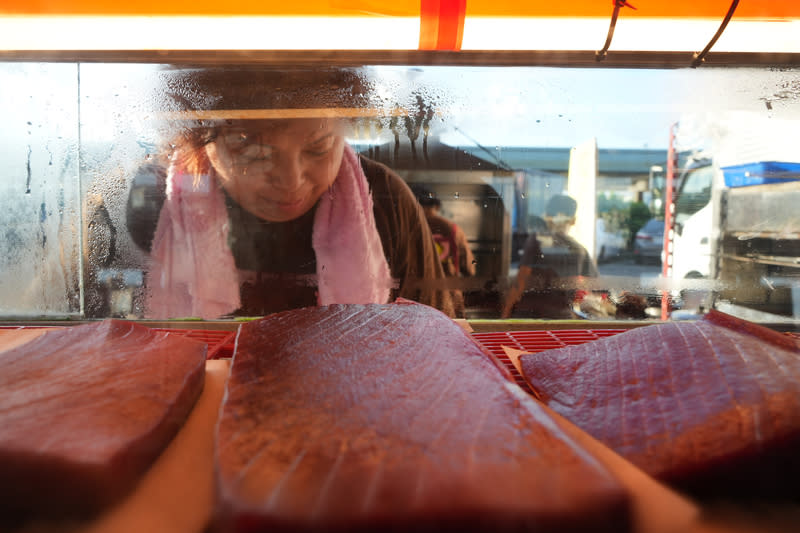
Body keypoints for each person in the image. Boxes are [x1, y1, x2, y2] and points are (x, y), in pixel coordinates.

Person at [127, 67, 454, 319]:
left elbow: (438, 338)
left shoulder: (385, 199)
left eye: (319, 146)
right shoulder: (152, 203)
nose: (291, 180)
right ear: (198, 139)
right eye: (254, 154)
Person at [502, 194, 598, 319]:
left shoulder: (537, 240)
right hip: (562, 315)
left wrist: (505, 315)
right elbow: (590, 287)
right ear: (573, 220)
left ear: (547, 216)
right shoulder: (579, 250)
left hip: (530, 314)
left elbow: (521, 281)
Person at [413, 188, 476, 317]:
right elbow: (470, 268)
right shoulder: (453, 230)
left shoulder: (411, 230)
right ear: (436, 206)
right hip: (449, 299)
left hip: (418, 298)